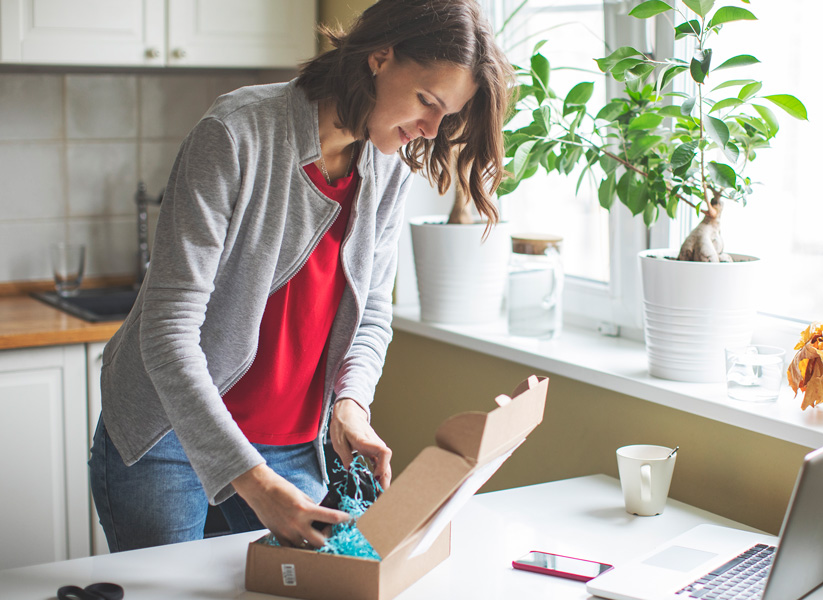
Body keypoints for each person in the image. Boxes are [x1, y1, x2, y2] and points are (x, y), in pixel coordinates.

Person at [89, 0, 514, 552]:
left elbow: (372, 313)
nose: (431, 128)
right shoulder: (237, 132)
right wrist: (253, 481)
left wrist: (351, 406)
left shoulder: (388, 164)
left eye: (446, 114)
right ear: (380, 58)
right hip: (170, 441)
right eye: (426, 101)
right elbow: (167, 333)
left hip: (290, 447)